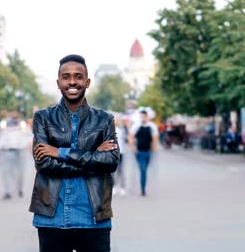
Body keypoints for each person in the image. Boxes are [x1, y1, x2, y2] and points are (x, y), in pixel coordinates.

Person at [30, 54, 119, 252]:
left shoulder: (105, 120)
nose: (72, 81)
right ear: (58, 82)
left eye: (78, 76)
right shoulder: (42, 118)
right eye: (66, 76)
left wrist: (59, 152)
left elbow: (110, 162)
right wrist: (93, 157)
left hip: (94, 219)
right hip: (52, 218)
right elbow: (44, 164)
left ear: (87, 82)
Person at [128, 110, 159, 197]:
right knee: (143, 169)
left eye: (144, 116)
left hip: (148, 152)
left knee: (144, 169)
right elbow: (130, 136)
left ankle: (143, 185)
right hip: (139, 152)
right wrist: (133, 147)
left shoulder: (152, 126)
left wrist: (153, 148)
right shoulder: (136, 126)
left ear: (147, 117)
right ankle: (143, 188)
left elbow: (155, 138)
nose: (142, 118)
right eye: (141, 116)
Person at [113, 115, 127, 196]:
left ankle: (122, 188)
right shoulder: (111, 130)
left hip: (121, 152)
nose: (117, 121)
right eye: (116, 120)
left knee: (121, 171)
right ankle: (114, 187)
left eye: (119, 120)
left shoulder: (123, 130)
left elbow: (126, 140)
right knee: (113, 171)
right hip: (113, 153)